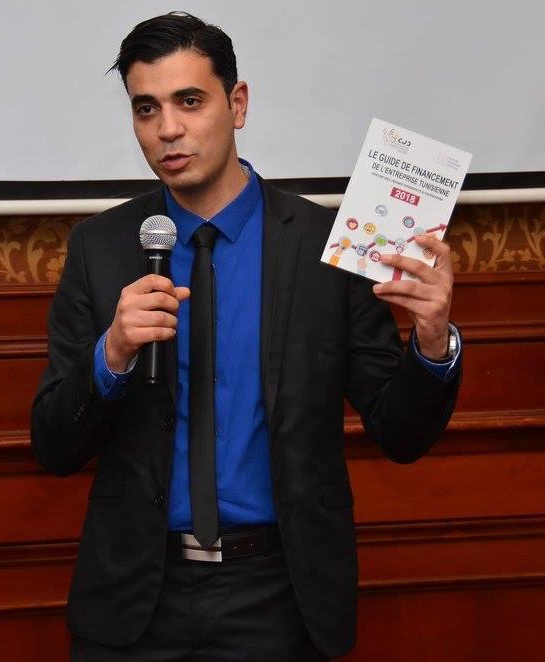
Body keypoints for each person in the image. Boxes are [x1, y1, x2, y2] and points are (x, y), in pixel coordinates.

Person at [30, 12, 462, 661]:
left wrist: (430, 345)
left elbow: (400, 434)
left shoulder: (325, 247)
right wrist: (111, 355)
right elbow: (54, 446)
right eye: (146, 108)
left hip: (281, 596)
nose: (167, 129)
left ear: (237, 104)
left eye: (189, 101)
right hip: (136, 596)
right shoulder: (100, 248)